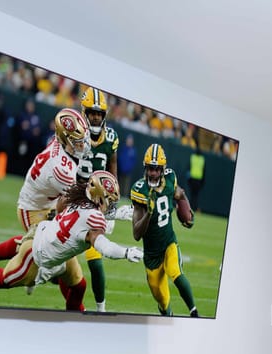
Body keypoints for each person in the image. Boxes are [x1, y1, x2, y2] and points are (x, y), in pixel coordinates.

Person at [0, 171, 143, 311]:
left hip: (46, 234)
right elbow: (104, 246)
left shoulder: (80, 195)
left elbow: (64, 209)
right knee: (4, 279)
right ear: (98, 197)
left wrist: (115, 214)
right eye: (109, 200)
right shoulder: (93, 219)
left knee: (79, 286)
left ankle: (75, 323)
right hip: (38, 256)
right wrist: (126, 252)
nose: (110, 204)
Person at [0, 107, 91, 275]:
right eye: (77, 141)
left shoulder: (59, 143)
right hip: (32, 208)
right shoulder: (62, 169)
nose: (83, 145)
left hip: (46, 200)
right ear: (65, 139)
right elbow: (75, 201)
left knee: (46, 245)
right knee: (52, 256)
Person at [130, 144, 199, 317]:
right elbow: (136, 234)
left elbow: (180, 193)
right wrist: (148, 213)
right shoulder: (140, 190)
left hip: (168, 242)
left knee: (176, 272)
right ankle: (168, 317)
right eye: (150, 168)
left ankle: (194, 313)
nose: (153, 173)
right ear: (145, 168)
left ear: (162, 169)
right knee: (162, 300)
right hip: (151, 256)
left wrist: (187, 212)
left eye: (156, 169)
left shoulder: (169, 179)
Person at [77, 86, 122, 312]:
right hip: (73, 198)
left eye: (99, 113)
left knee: (95, 261)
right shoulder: (75, 133)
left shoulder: (111, 137)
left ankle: (101, 310)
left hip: (95, 204)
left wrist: (112, 203)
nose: (96, 117)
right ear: (84, 112)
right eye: (92, 112)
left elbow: (112, 167)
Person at [188, 149, 205, 213]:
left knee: (192, 194)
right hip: (198, 180)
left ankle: (190, 207)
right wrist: (203, 181)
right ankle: (194, 208)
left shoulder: (193, 157)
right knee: (196, 195)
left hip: (192, 179)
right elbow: (204, 170)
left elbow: (189, 167)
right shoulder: (202, 159)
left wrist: (188, 179)